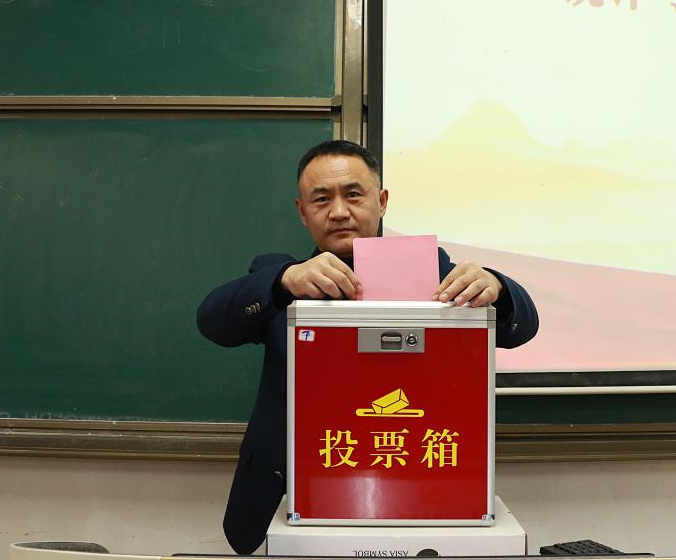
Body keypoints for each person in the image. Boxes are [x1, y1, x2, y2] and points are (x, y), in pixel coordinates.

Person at [196, 140, 538, 554]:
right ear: (302, 212)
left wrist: (498, 286)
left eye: (353, 194)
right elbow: (212, 321)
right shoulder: (280, 279)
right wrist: (283, 281)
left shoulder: (432, 272)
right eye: (321, 199)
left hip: (413, 483)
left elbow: (522, 328)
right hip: (296, 495)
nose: (339, 211)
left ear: (382, 201)